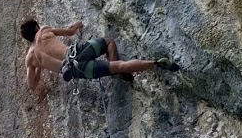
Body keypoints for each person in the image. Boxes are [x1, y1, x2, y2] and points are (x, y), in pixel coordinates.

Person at [20, 19, 177, 97]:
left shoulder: (30, 58)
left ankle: (114, 69)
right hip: (77, 52)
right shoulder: (44, 31)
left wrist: (39, 66)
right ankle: (155, 63)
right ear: (36, 28)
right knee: (109, 42)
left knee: (117, 67)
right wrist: (77, 24)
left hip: (75, 70)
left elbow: (32, 85)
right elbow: (70, 31)